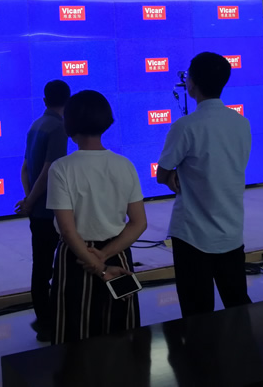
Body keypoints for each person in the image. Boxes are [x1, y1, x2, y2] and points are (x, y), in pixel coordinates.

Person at [156, 52, 253, 318]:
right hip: (231, 232)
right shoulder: (241, 123)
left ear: (192, 83)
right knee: (238, 306)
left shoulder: (185, 126)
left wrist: (172, 177)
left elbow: (162, 174)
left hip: (192, 235)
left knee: (196, 313)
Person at [47, 90, 148, 344]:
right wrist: (104, 256)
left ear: (69, 124)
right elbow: (139, 223)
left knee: (73, 332)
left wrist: (97, 264)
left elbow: (68, 230)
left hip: (76, 258)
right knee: (122, 329)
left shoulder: (61, 168)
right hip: (118, 254)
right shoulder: (124, 165)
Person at [14, 79, 71, 342]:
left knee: (40, 266)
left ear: (45, 100)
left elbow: (26, 168)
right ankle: (51, 322)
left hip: (37, 209)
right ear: (67, 101)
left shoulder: (36, 125)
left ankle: (44, 320)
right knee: (55, 268)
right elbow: (50, 171)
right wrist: (33, 200)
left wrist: (29, 200)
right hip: (51, 210)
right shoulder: (58, 128)